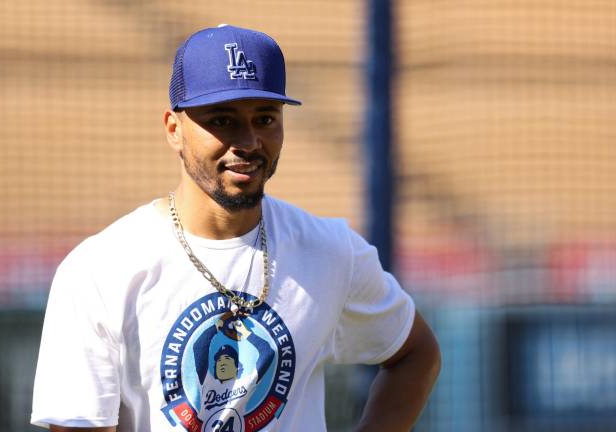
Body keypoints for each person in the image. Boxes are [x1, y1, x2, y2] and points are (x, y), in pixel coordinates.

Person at [31, 24, 440, 432]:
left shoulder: (331, 251)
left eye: (265, 118)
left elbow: (415, 353)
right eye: (222, 120)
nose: (247, 141)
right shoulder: (100, 269)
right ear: (174, 129)